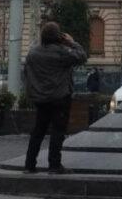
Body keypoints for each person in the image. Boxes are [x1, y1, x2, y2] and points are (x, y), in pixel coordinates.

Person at [24, 21, 87, 174]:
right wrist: (72, 42)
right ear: (58, 37)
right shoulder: (62, 53)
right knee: (58, 131)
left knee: (38, 131)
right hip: (59, 97)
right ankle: (54, 165)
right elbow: (82, 56)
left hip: (40, 98)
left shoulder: (32, 54)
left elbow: (26, 75)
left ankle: (29, 165)